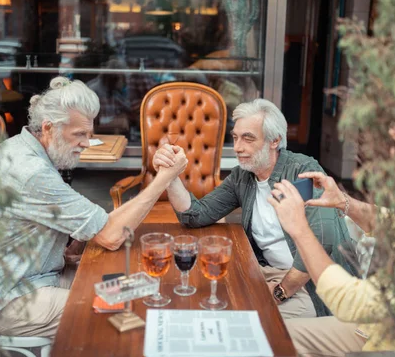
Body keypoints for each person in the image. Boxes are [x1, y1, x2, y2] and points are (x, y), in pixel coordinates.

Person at [0, 76, 188, 338]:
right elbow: (111, 236)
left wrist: (64, 245)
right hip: (8, 299)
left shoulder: (15, 148)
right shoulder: (32, 171)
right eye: (79, 134)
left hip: (28, 275)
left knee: (129, 282)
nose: (87, 143)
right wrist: (164, 179)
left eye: (89, 134)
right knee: (120, 309)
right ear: (48, 128)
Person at [152, 99, 358, 323]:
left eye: (248, 138)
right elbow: (195, 215)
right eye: (235, 137)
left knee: (238, 319)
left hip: (313, 286)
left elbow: (323, 242)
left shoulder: (303, 172)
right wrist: (169, 175)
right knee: (201, 296)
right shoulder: (244, 176)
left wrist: (280, 292)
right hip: (266, 271)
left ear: (275, 140)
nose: (238, 147)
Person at [268, 171, 395, 356]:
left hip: (394, 345)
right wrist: (342, 200)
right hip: (375, 326)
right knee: (274, 335)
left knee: (274, 339)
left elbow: (353, 303)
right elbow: (391, 222)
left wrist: (299, 228)